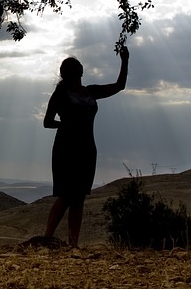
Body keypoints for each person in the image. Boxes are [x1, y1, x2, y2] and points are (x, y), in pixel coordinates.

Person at [42, 46, 129, 247]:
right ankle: (47, 238)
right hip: (66, 148)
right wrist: (65, 125)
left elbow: (119, 86)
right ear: (75, 72)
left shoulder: (90, 91)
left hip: (87, 148)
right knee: (66, 195)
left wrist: (125, 61)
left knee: (79, 196)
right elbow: (47, 121)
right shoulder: (61, 94)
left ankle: (73, 244)